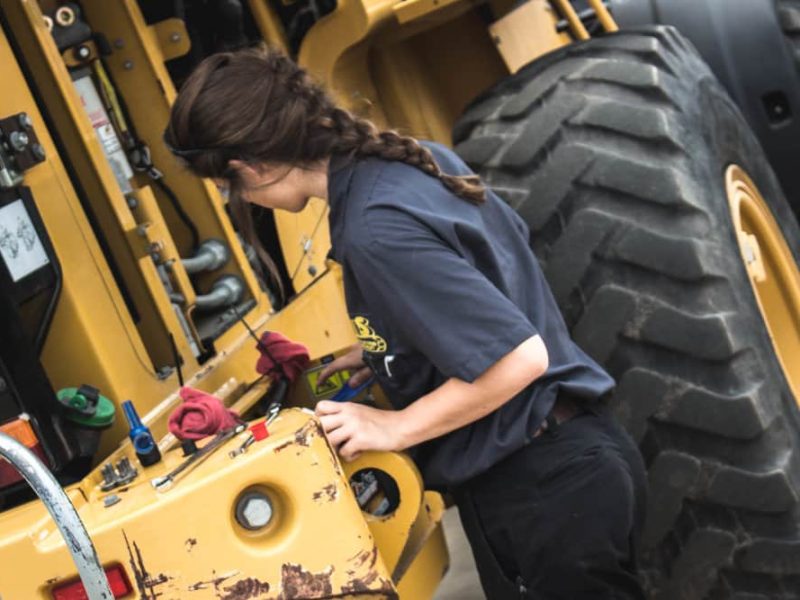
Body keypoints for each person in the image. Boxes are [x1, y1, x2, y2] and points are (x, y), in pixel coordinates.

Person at [164, 47, 648, 599]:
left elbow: (519, 358)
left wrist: (394, 426)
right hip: (577, 459)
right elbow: (493, 289)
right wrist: (393, 348)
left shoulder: (375, 229)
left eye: (231, 186)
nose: (241, 198)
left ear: (249, 166)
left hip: (544, 489)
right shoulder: (408, 163)